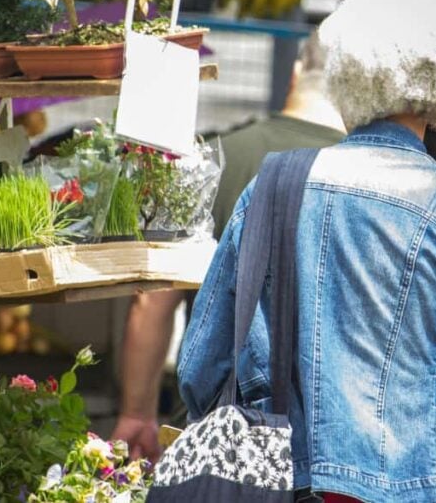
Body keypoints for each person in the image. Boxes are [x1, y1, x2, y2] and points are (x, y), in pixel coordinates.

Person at [177, 0, 436, 503]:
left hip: (281, 483)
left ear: (348, 71)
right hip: (411, 486)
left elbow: (200, 365)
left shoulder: (272, 185)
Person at [111, 35, 346, 461]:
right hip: (329, 447)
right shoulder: (370, 180)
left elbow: (154, 302)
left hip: (214, 436)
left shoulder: (216, 159)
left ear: (296, 72)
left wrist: (136, 413)